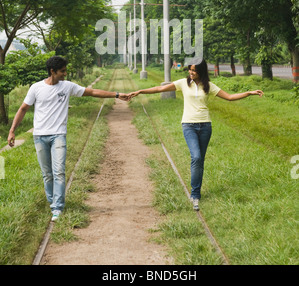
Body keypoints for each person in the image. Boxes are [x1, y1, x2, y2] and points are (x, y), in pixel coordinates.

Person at [128, 59, 264, 211]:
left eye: (194, 70)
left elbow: (230, 97)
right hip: (188, 125)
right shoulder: (183, 83)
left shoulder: (208, 86)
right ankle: (195, 194)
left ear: (201, 71)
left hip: (205, 126)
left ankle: (196, 192)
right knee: (196, 157)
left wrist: (249, 93)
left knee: (200, 161)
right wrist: (140, 91)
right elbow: (160, 89)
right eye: (190, 70)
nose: (191, 73)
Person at [7, 56, 130, 222]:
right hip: (39, 136)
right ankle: (52, 202)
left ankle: (57, 207)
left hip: (58, 135)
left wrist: (116, 94)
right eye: (62, 71)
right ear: (53, 71)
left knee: (59, 171)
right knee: (47, 174)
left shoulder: (67, 86)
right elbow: (23, 108)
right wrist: (12, 130)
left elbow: (92, 92)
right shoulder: (36, 88)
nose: (65, 74)